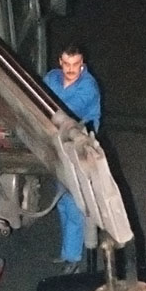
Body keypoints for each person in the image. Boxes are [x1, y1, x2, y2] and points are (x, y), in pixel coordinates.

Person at [43, 44, 102, 272]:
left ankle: (75, 258)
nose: (70, 69)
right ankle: (68, 251)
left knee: (75, 203)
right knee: (63, 201)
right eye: (66, 64)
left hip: (79, 148)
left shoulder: (88, 87)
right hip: (60, 147)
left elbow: (64, 115)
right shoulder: (52, 78)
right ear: (60, 61)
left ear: (82, 63)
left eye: (75, 65)